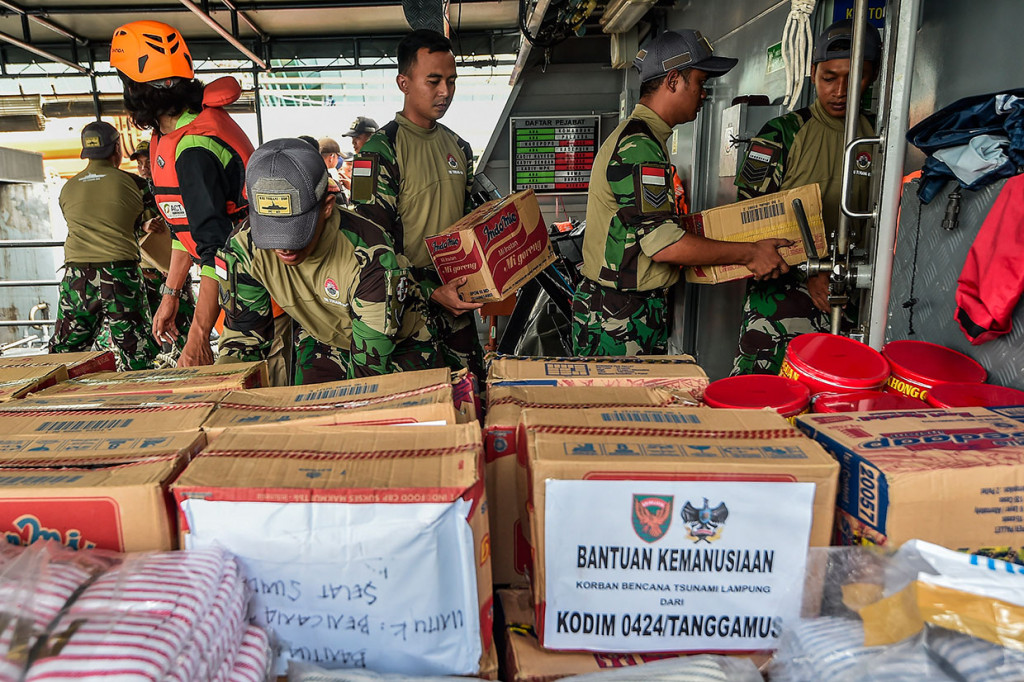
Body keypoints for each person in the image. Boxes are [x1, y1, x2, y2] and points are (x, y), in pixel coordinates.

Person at [572, 30, 791, 356]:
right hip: (618, 318)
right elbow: (664, 245)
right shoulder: (639, 146)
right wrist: (751, 253)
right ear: (673, 80)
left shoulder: (645, 139)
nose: (705, 94)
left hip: (622, 309)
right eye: (700, 82)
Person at [216, 138, 437, 384]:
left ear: (327, 206)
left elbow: (370, 371)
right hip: (322, 337)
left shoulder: (369, 255)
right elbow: (243, 341)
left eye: (295, 230)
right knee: (308, 414)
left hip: (395, 346)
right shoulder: (243, 248)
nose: (282, 245)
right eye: (270, 230)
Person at [111, 20, 263, 370]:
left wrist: (197, 338)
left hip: (258, 291)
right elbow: (184, 228)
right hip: (233, 286)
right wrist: (171, 296)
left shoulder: (195, 149)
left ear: (136, 90)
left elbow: (216, 250)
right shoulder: (170, 135)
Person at [731, 19, 880, 375]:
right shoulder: (783, 134)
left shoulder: (879, 135)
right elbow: (748, 221)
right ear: (813, 74)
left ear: (872, 77)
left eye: (854, 76)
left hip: (858, 295)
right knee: (765, 398)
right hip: (783, 301)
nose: (840, 90)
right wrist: (809, 269)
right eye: (829, 77)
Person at [353, 29, 485, 381]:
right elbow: (369, 249)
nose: (445, 92)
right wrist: (427, 291)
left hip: (455, 299)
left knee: (471, 398)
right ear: (404, 82)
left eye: (452, 81)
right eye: (434, 81)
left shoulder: (460, 147)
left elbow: (467, 225)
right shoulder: (380, 152)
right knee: (418, 411)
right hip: (404, 308)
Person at [50, 121, 160, 370]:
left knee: (64, 353)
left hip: (77, 276)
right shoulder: (136, 184)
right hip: (119, 275)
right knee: (137, 351)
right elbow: (154, 221)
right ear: (117, 149)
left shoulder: (68, 188)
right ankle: (143, 404)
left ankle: (58, 405)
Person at [128, 138, 196, 357]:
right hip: (146, 273)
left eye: (147, 162)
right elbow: (117, 228)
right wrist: (142, 226)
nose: (143, 168)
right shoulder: (132, 192)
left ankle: (188, 362)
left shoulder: (171, 187)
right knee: (150, 330)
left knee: (184, 326)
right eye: (139, 163)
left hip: (173, 269)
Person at [339, 116, 378, 193]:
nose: (353, 142)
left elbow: (362, 197)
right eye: (352, 138)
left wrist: (353, 188)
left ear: (371, 137)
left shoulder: (363, 161)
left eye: (357, 137)